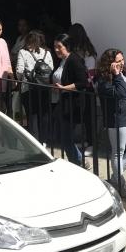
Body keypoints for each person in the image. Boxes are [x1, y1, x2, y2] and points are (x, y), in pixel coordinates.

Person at [96, 49, 126, 195]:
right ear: (109, 63)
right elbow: (121, 93)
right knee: (118, 152)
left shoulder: (124, 72)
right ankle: (120, 183)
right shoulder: (104, 80)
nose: (121, 63)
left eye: (122, 60)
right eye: (117, 61)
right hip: (116, 119)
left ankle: (115, 177)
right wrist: (117, 75)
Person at [52, 34, 88, 167]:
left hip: (72, 104)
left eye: (59, 47)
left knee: (65, 137)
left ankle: (77, 163)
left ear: (67, 47)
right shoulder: (61, 60)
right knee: (58, 136)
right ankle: (80, 159)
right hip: (62, 102)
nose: (56, 50)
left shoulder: (74, 60)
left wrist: (64, 89)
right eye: (55, 46)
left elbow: (82, 82)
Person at [15, 30, 53, 142]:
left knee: (32, 115)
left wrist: (19, 80)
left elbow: (19, 70)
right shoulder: (47, 52)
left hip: (29, 88)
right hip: (45, 88)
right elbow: (50, 68)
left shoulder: (23, 52)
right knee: (44, 113)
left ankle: (35, 141)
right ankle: (44, 140)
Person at [68, 24, 97, 157]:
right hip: (84, 88)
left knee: (89, 117)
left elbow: (90, 71)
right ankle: (88, 141)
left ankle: (92, 144)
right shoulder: (84, 49)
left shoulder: (85, 51)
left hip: (88, 88)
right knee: (84, 116)